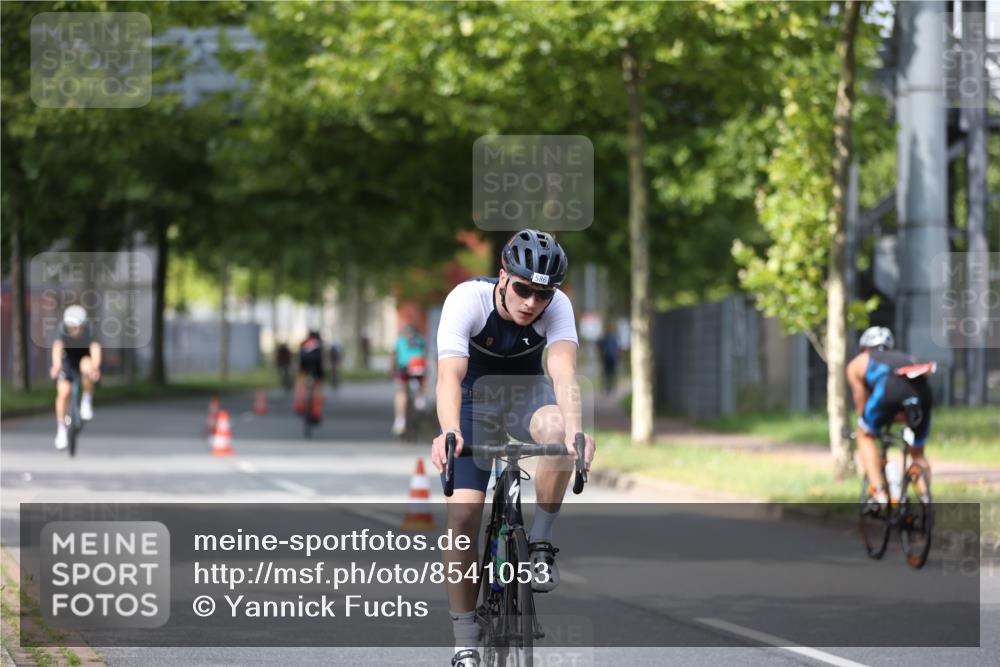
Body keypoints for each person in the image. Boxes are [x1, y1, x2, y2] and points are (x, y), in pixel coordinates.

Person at [429, 229, 596, 667]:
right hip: (470, 400)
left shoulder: (556, 307)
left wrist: (577, 432)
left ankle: (539, 543)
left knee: (558, 431)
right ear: (503, 276)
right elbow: (448, 376)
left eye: (543, 295)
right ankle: (464, 638)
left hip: (525, 394)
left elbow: (562, 372)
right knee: (463, 514)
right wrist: (450, 432)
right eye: (523, 289)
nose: (531, 303)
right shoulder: (467, 300)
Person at [847, 326, 935, 506]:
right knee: (918, 453)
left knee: (865, 434)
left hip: (889, 391)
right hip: (922, 393)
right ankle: (926, 499)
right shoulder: (907, 358)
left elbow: (861, 402)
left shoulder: (859, 362)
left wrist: (869, 422)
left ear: (864, 346)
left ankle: (879, 492)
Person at [49, 305, 102, 450]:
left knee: (88, 366)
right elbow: (57, 348)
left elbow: (95, 349)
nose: (74, 330)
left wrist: (95, 367)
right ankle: (61, 429)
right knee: (64, 392)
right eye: (71, 327)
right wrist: (56, 366)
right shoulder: (62, 330)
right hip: (68, 361)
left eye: (77, 327)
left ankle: (86, 400)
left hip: (84, 358)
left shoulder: (90, 330)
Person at [392, 324, 428, 435]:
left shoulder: (400, 340)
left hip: (404, 367)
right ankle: (420, 399)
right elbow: (425, 354)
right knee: (423, 381)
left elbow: (394, 356)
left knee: (401, 392)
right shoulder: (421, 340)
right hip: (419, 366)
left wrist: (392, 370)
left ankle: (400, 420)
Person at [294, 331, 325, 421]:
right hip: (316, 366)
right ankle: (316, 413)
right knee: (318, 388)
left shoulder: (304, 342)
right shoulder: (318, 343)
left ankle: (299, 406)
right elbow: (320, 359)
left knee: (300, 384)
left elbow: (300, 355)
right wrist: (321, 376)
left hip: (304, 365)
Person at [598, 325, 620, 394]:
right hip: (606, 359)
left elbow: (617, 349)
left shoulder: (613, 338)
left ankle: (612, 386)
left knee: (612, 373)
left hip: (612, 358)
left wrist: (617, 356)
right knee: (607, 373)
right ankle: (607, 387)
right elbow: (600, 347)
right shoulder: (605, 338)